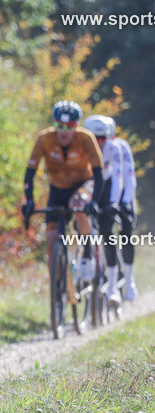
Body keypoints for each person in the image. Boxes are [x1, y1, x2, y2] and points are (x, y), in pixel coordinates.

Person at [22, 101, 105, 281]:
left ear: (77, 126)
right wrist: (29, 200)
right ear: (54, 124)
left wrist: (94, 201)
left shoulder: (86, 138)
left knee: (77, 205)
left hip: (83, 184)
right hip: (57, 189)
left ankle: (87, 253)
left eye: (70, 126)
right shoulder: (45, 139)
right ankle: (57, 289)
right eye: (60, 126)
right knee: (51, 240)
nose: (64, 131)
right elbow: (30, 173)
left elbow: (99, 173)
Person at [99, 116, 139, 302]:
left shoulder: (120, 147)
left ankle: (129, 280)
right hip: (105, 191)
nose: (99, 142)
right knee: (105, 231)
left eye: (102, 138)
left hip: (124, 193)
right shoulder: (87, 147)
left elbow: (127, 178)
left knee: (126, 233)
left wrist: (122, 203)